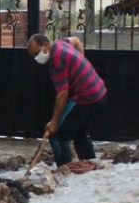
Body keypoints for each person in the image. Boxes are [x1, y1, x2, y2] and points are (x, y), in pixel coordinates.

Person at [26, 33, 106, 167]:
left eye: (37, 53)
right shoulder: (60, 44)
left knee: (56, 135)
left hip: (85, 96)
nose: (36, 58)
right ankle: (92, 170)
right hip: (99, 92)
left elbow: (62, 93)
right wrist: (81, 62)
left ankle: (65, 172)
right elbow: (76, 41)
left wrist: (54, 122)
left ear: (46, 45)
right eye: (33, 56)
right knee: (81, 134)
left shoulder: (56, 60)